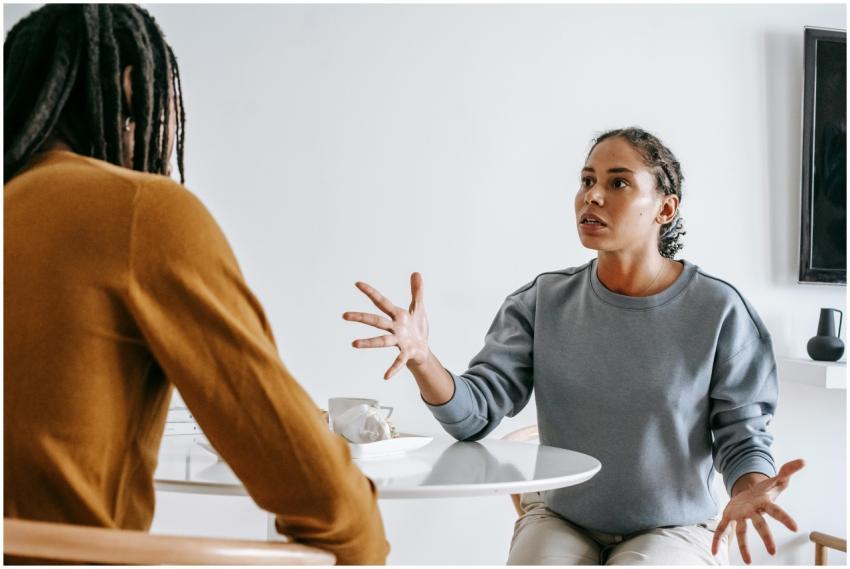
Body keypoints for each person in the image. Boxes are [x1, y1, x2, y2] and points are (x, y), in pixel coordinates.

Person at [4, 4, 388, 564]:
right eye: (169, 111)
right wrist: (367, 546)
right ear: (133, 89)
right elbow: (320, 491)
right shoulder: (140, 214)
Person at [344, 127, 804, 565]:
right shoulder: (543, 301)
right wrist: (424, 359)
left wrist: (749, 489)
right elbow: (474, 417)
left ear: (665, 209)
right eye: (587, 180)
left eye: (618, 182)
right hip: (564, 519)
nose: (593, 195)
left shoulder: (720, 310)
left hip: (675, 527)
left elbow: (742, 434)